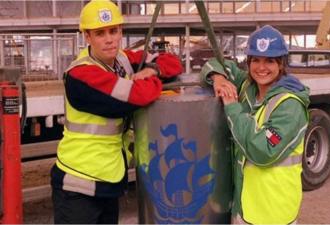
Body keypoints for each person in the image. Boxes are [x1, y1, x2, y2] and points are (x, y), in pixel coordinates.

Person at [50, 0, 183, 223]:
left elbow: (172, 62)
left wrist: (153, 69)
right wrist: (153, 79)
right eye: (100, 33)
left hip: (108, 180)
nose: (109, 39)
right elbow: (136, 96)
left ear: (121, 31)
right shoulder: (81, 75)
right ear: (87, 37)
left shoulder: (122, 59)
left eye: (114, 31)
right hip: (78, 185)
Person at [201, 25, 310, 224]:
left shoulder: (289, 106)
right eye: (256, 60)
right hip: (244, 206)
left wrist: (233, 108)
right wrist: (218, 78)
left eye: (269, 61)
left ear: (281, 64)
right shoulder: (248, 87)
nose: (261, 67)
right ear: (248, 62)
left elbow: (261, 150)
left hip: (272, 212)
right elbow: (216, 62)